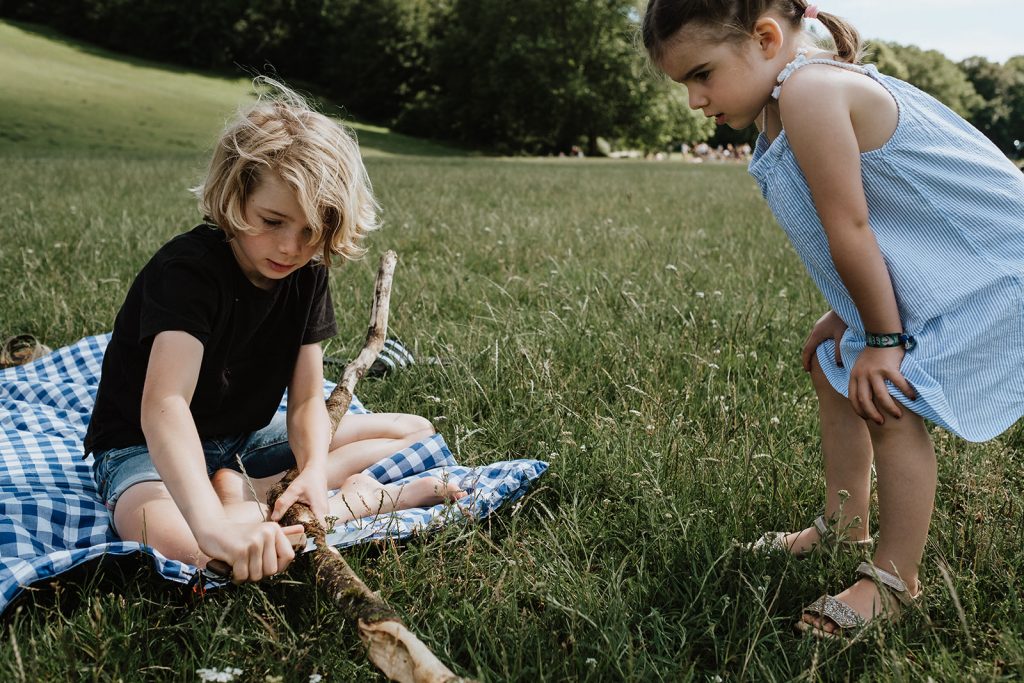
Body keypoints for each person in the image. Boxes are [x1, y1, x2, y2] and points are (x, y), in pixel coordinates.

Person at [642, 0, 1024, 638]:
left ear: (765, 38)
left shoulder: (812, 91)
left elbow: (852, 224)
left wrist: (881, 338)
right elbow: (897, 226)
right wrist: (844, 316)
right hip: (953, 270)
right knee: (833, 369)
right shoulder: (783, 107)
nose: (693, 100)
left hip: (997, 275)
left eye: (701, 74)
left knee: (888, 398)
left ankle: (896, 580)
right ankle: (845, 524)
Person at [84, 80, 465, 583]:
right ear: (235, 194)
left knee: (413, 432)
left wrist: (309, 469)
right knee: (179, 542)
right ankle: (355, 502)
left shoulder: (307, 274)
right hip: (144, 447)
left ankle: (259, 492)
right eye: (272, 220)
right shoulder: (187, 272)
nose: (290, 247)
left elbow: (307, 398)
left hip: (241, 440)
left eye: (311, 231)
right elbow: (164, 406)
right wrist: (212, 530)